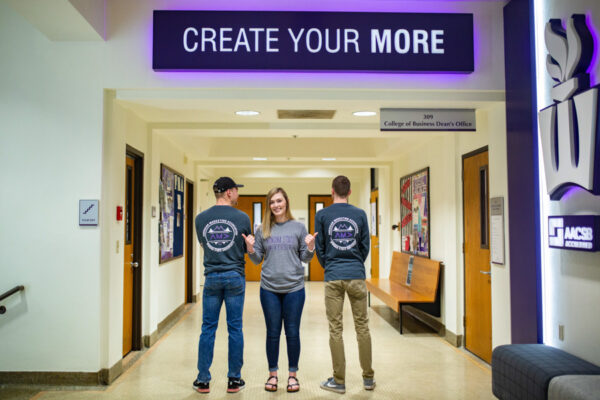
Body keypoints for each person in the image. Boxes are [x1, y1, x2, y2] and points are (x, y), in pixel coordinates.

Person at [243, 187, 316, 393]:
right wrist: (250, 248)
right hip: (269, 289)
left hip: (294, 288)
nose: (276, 205)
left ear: (286, 202)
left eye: (279, 201)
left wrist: (310, 247)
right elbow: (257, 260)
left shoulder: (298, 228)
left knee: (292, 333)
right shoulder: (262, 229)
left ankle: (292, 375)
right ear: (269, 206)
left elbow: (304, 257)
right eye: (272, 202)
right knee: (273, 333)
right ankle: (272, 374)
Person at [315, 175, 375, 394]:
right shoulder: (360, 214)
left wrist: (329, 265)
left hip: (333, 277)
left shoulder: (322, 215)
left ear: (332, 191)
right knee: (362, 327)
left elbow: (320, 247)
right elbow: (365, 244)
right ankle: (368, 379)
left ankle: (339, 382)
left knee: (335, 329)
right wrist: (356, 262)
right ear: (349, 192)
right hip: (356, 275)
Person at [193, 177, 251, 394]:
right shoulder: (242, 217)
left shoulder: (201, 219)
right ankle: (234, 380)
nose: (238, 194)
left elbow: (204, 244)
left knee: (208, 328)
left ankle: (203, 380)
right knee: (235, 328)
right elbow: (245, 248)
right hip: (235, 277)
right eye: (236, 190)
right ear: (228, 193)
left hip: (212, 278)